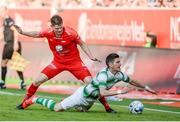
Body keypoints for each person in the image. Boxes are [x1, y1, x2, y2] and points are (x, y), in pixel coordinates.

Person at [15, 15, 116, 113]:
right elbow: (37, 34)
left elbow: (82, 44)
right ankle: (25, 102)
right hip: (57, 63)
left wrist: (90, 56)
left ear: (62, 24)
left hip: (75, 63)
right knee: (37, 81)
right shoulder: (48, 32)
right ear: (52, 27)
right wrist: (22, 32)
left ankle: (107, 107)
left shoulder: (71, 33)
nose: (59, 30)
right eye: (56, 28)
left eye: (60, 27)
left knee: (92, 84)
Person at [21, 53, 157, 112]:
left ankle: (70, 103)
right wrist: (122, 91)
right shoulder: (103, 75)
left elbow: (132, 81)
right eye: (117, 62)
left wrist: (146, 87)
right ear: (110, 64)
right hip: (83, 96)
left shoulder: (119, 74)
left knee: (80, 110)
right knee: (57, 108)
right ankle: (35, 99)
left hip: (90, 101)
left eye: (119, 61)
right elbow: (103, 92)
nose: (120, 63)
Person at [0, 6, 26, 90]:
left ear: (6, 11)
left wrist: (15, 43)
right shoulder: (5, 21)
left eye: (2, 11)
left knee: (9, 63)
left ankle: (3, 83)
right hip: (8, 44)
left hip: (11, 44)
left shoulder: (9, 20)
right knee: (9, 63)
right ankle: (22, 83)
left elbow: (15, 31)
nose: (1, 13)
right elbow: (3, 34)